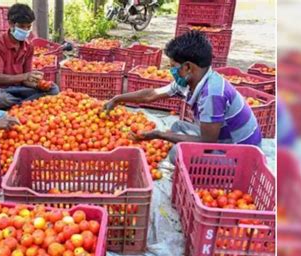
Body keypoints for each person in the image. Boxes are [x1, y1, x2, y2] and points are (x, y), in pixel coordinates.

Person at [103, 30, 262, 163]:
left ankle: (215, 176)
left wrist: (159, 135)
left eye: (173, 66)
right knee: (178, 126)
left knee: (177, 154)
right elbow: (151, 95)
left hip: (240, 155)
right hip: (223, 138)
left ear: (187, 67)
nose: (170, 71)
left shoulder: (212, 95)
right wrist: (118, 99)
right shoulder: (190, 80)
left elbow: (207, 142)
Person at [0, 3, 59, 109]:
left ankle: (20, 105)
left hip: (19, 88)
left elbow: (25, 80)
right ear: (11, 24)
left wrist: (38, 84)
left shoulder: (29, 46)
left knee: (53, 88)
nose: (26, 30)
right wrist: (26, 76)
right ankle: (28, 103)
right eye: (22, 26)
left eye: (28, 27)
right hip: (0, 89)